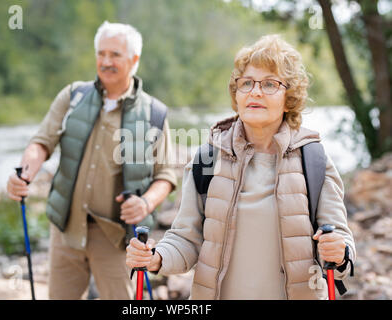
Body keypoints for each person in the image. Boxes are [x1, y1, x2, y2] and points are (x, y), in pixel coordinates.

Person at [126, 34, 356, 300]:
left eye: (270, 84)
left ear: (289, 96)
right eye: (246, 83)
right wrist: (155, 258)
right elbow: (187, 240)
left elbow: (340, 242)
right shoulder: (207, 158)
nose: (255, 91)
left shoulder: (313, 159)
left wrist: (339, 252)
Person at [7, 21, 177, 300]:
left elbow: (166, 175)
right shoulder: (73, 96)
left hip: (117, 238)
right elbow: (41, 142)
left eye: (115, 55)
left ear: (134, 60)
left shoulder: (154, 113)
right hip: (65, 230)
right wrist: (24, 175)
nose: (106, 61)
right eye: (101, 54)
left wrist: (145, 203)